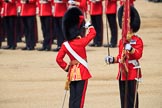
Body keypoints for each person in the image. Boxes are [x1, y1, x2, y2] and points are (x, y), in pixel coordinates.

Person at [56, 7, 96, 108]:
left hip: (72, 73)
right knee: (79, 99)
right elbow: (93, 33)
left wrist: (67, 67)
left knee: (72, 98)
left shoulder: (65, 45)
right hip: (82, 73)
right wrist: (88, 25)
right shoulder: (81, 42)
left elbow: (58, 59)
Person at [105, 6, 143, 108]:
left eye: (125, 20)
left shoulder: (137, 40)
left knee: (131, 99)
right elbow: (120, 57)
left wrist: (130, 49)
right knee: (123, 99)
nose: (122, 21)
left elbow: (138, 55)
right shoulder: (122, 40)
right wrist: (112, 59)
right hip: (123, 72)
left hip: (132, 72)